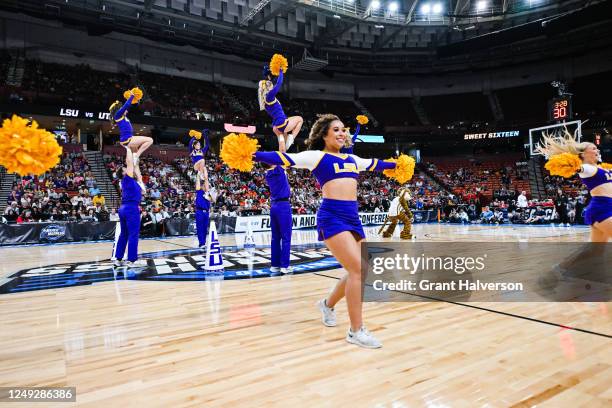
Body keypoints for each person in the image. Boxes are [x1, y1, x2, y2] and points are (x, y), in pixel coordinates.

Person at [221, 114, 414, 348]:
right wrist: (249, 153)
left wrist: (400, 165)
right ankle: (356, 331)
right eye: (336, 130)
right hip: (332, 216)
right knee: (357, 271)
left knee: (361, 269)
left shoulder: (353, 158)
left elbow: (378, 164)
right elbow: (283, 158)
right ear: (324, 135)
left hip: (353, 217)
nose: (342, 133)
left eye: (344, 129)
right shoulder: (317, 157)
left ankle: (327, 304)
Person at [537, 133, 611, 241]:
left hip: (608, 208)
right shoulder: (587, 168)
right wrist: (570, 165)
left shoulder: (603, 168)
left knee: (596, 252)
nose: (597, 150)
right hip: (601, 209)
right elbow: (578, 168)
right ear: (583, 154)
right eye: (594, 148)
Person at [109, 87, 153, 187]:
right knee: (150, 140)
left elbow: (127, 107)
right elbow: (127, 105)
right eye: (124, 110)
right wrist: (132, 95)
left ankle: (140, 181)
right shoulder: (118, 115)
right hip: (127, 139)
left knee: (136, 163)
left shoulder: (123, 116)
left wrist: (134, 98)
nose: (127, 111)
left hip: (128, 140)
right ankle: (137, 155)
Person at [258, 64, 303, 153]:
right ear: (267, 88)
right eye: (269, 84)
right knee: (300, 119)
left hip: (276, 125)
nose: (271, 85)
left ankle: (281, 159)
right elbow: (279, 83)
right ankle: (292, 138)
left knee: (282, 139)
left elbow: (271, 81)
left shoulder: (264, 101)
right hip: (281, 122)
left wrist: (268, 73)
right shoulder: (269, 96)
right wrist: (281, 71)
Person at [112, 148, 145, 268]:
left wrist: (135, 156)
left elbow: (134, 166)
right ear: (124, 173)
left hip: (124, 208)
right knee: (133, 234)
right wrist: (129, 148)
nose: (128, 169)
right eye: (126, 169)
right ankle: (132, 260)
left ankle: (118, 258)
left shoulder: (130, 181)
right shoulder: (127, 178)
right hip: (131, 208)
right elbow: (130, 163)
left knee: (124, 234)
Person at [265, 165, 293, 274]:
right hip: (283, 206)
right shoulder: (278, 170)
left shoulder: (268, 174)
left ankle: (275, 265)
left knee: (275, 238)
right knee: (286, 237)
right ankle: (284, 266)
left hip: (274, 206)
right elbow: (282, 154)